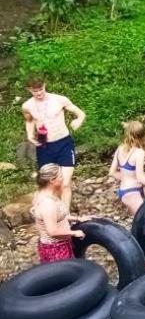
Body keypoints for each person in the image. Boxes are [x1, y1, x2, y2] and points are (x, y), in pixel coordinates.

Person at [22, 76, 85, 207]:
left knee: (65, 182)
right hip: (44, 145)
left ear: (45, 85)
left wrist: (78, 120)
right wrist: (29, 135)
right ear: (29, 90)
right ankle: (52, 210)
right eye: (35, 91)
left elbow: (80, 113)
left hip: (64, 143)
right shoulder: (27, 105)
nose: (39, 93)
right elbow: (29, 120)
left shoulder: (59, 99)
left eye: (41, 89)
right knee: (48, 183)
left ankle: (65, 215)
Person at [32, 163, 84, 263]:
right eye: (60, 176)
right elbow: (52, 231)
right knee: (65, 276)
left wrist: (78, 219)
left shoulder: (46, 193)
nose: (63, 178)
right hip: (55, 249)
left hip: (60, 245)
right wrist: (74, 233)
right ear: (52, 180)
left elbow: (57, 217)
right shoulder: (47, 203)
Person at [110, 121, 145, 217]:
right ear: (143, 136)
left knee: (139, 223)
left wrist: (127, 178)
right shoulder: (139, 152)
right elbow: (141, 178)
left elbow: (112, 172)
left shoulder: (120, 148)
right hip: (132, 192)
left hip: (125, 191)